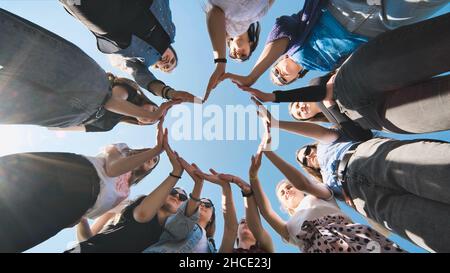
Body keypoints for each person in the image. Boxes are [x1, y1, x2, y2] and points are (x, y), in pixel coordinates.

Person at [255, 99, 450, 253]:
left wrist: (277, 124)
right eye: (304, 160)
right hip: (364, 200)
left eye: (306, 150)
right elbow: (304, 184)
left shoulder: (326, 145)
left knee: (433, 169)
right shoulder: (326, 189)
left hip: (366, 159)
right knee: (426, 227)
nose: (308, 156)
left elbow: (319, 133)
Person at [239, 13, 450, 134]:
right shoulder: (336, 125)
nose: (299, 108)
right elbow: (360, 137)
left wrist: (274, 98)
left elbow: (317, 92)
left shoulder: (318, 79)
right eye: (299, 113)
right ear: (310, 118)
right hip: (379, 115)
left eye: (295, 103)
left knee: (435, 47)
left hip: (359, 77)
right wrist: (332, 108)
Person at [0, 117, 168, 253]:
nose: (152, 159)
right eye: (152, 155)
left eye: (154, 161)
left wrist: (74, 217)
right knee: (12, 185)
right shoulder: (122, 150)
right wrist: (155, 150)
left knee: (19, 232)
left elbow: (87, 217)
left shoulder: (124, 194)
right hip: (74, 172)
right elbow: (111, 169)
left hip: (75, 205)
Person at [0, 8, 179, 130]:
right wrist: (163, 97)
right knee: (19, 47)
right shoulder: (132, 91)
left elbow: (73, 128)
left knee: (8, 104)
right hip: (88, 83)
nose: (150, 116)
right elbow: (112, 101)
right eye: (153, 111)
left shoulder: (109, 125)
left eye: (147, 121)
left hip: (69, 114)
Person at [222, 0, 448, 87]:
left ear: (280, 59)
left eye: (276, 72)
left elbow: (281, 30)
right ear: (295, 79)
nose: (280, 75)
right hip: (380, 26)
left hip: (343, 6)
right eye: (283, 80)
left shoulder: (292, 43)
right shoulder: (323, 71)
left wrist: (253, 76)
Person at [65, 125, 186, 253]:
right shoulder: (121, 154)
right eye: (173, 191)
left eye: (155, 160)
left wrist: (80, 215)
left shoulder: (120, 197)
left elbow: (87, 237)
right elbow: (87, 239)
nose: (177, 196)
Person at [59, 0, 199, 103]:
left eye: (166, 67)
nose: (167, 63)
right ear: (173, 52)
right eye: (172, 61)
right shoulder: (170, 32)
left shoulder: (141, 63)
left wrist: (168, 92)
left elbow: (145, 79)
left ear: (158, 66)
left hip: (113, 27)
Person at [203, 0, 274, 101]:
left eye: (233, 55)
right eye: (243, 55)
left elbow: (215, 12)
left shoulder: (225, 29)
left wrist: (220, 64)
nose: (238, 55)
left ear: (229, 45)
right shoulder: (260, 13)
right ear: (251, 44)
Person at [143, 158, 217, 253]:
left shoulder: (211, 247)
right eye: (199, 203)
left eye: (207, 204)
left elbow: (231, 229)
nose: (202, 205)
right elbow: (179, 227)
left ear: (212, 218)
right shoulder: (177, 220)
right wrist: (198, 185)